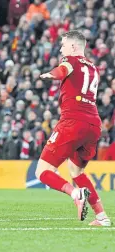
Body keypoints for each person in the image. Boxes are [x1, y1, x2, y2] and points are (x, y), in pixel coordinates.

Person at [37, 30, 111, 226]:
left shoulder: (71, 61)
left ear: (73, 46)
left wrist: (48, 74)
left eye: (63, 45)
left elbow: (63, 69)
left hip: (73, 122)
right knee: (76, 171)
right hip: (94, 124)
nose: (61, 49)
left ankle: (75, 193)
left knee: (42, 170)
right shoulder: (93, 67)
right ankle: (102, 217)